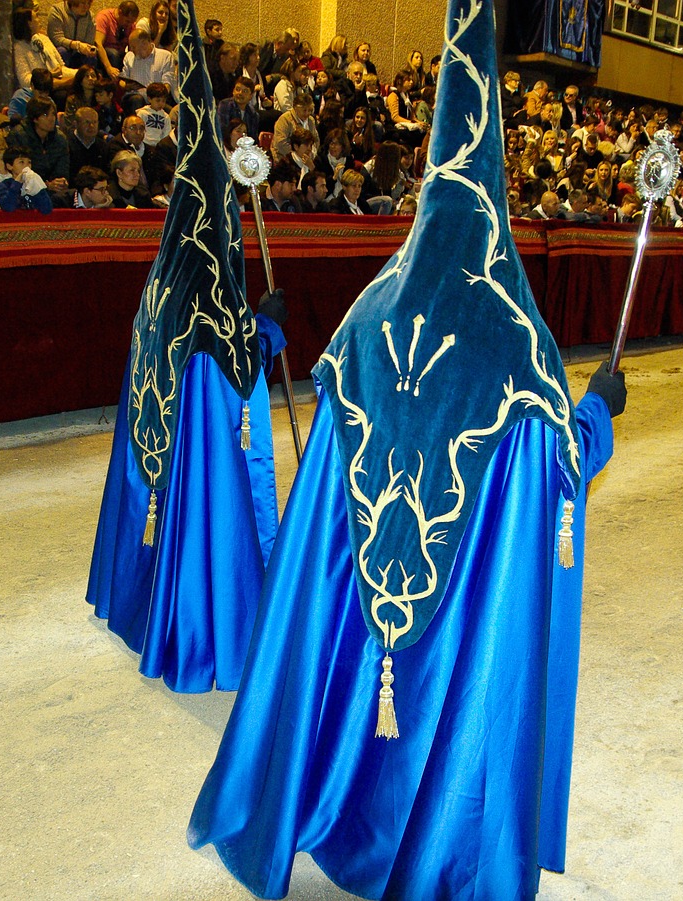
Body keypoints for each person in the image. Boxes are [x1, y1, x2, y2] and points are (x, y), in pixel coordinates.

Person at [188, 1, 623, 896]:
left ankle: (328, 787)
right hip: (454, 616)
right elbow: (556, 478)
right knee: (464, 681)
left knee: (346, 649)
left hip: (363, 620)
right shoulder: (517, 348)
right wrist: (600, 410)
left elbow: (320, 519)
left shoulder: (363, 321)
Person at [86, 0, 286, 694]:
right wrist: (267, 328)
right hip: (201, 462)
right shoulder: (211, 279)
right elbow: (233, 378)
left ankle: (136, 587)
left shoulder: (165, 271)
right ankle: (217, 619)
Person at [6, 96, 70, 203]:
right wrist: (45, 184)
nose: (51, 119)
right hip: (24, 190)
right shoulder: (18, 136)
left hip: (53, 191)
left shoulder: (60, 139)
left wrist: (61, 182)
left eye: (53, 114)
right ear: (35, 119)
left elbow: (63, 169)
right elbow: (18, 171)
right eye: (45, 115)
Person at [12, 6, 76, 94]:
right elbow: (25, 81)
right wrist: (49, 75)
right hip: (40, 87)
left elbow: (61, 67)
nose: (39, 20)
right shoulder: (19, 48)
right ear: (29, 23)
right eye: (36, 17)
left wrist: (78, 74)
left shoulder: (44, 39)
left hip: (57, 78)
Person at [0, 147, 54, 213]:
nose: (27, 166)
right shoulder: (3, 186)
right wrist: (17, 184)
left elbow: (47, 209)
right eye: (21, 162)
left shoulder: (33, 183)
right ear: (9, 166)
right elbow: (8, 207)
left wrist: (38, 187)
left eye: (29, 162)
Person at [93, 0, 140, 80]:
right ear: (120, 13)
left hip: (120, 54)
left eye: (132, 22)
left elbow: (132, 47)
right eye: (127, 21)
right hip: (105, 55)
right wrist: (109, 67)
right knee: (113, 53)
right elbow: (98, 43)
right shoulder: (104, 17)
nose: (129, 25)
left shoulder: (131, 25)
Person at [48, 0, 100, 67]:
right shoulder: (57, 11)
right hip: (63, 49)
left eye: (89, 3)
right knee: (62, 51)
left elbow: (89, 42)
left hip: (80, 53)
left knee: (91, 57)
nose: (86, 7)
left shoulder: (90, 16)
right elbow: (56, 38)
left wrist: (90, 49)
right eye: (83, 3)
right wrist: (76, 45)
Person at [67, 105, 112, 179]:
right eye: (87, 122)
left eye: (94, 122)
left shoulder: (102, 145)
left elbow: (107, 173)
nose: (91, 126)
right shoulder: (66, 144)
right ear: (76, 124)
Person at [270, 90, 317, 160]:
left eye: (310, 110)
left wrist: (312, 153)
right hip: (285, 158)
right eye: (304, 110)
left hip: (307, 157)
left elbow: (316, 139)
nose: (307, 113)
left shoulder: (311, 120)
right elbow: (280, 143)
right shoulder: (284, 120)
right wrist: (297, 157)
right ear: (295, 108)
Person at [134, 82, 172, 146]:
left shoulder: (166, 117)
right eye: (158, 100)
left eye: (163, 101)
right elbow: (139, 130)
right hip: (143, 143)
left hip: (158, 146)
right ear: (149, 99)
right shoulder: (142, 113)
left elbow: (166, 135)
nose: (161, 103)